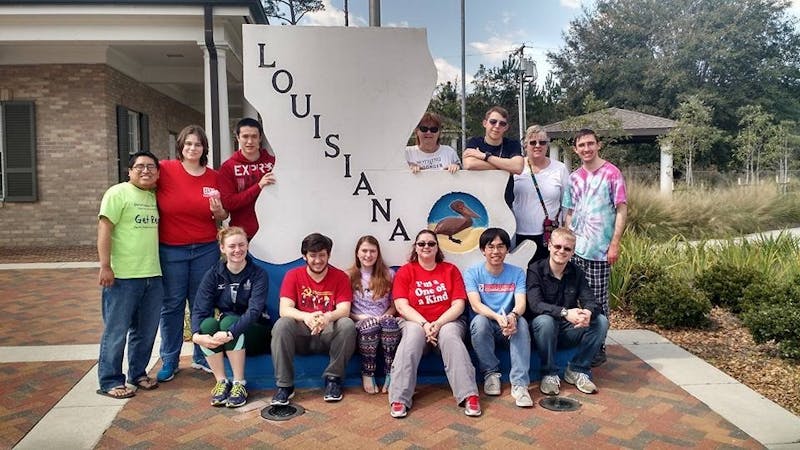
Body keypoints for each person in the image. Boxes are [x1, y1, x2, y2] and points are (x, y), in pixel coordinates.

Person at [156, 125, 228, 382]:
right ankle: (170, 359)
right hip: (171, 249)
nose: (192, 148)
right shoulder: (165, 169)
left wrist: (219, 211)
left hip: (205, 249)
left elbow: (222, 216)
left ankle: (202, 356)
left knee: (201, 305)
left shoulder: (213, 176)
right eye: (188, 144)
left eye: (197, 144)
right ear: (181, 146)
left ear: (204, 148)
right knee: (172, 305)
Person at [388, 230, 481, 418]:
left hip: (447, 321)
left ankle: (469, 395)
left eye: (431, 244)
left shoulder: (450, 270)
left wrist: (437, 324)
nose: (426, 247)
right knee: (412, 336)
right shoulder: (406, 271)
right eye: (421, 244)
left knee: (450, 336)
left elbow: (458, 305)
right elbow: (401, 305)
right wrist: (424, 324)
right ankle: (399, 398)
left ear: (437, 247)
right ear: (415, 247)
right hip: (415, 322)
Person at [96, 151, 163, 399]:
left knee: (145, 331)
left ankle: (138, 373)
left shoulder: (154, 196)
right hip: (122, 276)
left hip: (153, 275)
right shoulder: (117, 193)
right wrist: (105, 265)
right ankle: (110, 380)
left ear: (157, 172)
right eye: (140, 167)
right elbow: (104, 228)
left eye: (151, 167)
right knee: (116, 330)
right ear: (130, 171)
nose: (146, 171)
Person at [563, 129, 627, 366]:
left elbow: (621, 209)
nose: (586, 149)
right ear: (576, 149)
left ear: (598, 145)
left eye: (590, 144)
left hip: (600, 251)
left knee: (598, 301)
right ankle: (575, 341)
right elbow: (569, 211)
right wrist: (567, 242)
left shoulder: (612, 173)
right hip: (576, 249)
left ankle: (598, 346)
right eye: (582, 145)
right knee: (572, 297)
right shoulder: (574, 178)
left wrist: (615, 243)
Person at [270, 233, 356, 405]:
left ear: (329, 255)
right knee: (282, 324)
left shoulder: (340, 277)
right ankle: (284, 386)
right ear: (304, 256)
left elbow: (344, 310)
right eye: (313, 255)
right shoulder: (293, 275)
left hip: (328, 333)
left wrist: (327, 317)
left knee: (346, 324)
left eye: (322, 255)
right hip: (301, 333)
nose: (318, 260)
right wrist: (307, 317)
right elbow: (284, 309)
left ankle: (333, 380)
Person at [191, 226, 270, 408]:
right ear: (222, 248)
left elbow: (254, 311)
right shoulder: (213, 274)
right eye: (232, 246)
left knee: (228, 321)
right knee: (208, 325)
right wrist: (197, 335)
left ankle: (239, 384)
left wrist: (229, 333)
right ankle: (221, 382)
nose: (237, 250)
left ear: (247, 246)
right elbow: (200, 308)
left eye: (241, 245)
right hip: (229, 333)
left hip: (256, 330)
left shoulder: (258, 274)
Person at [526, 227, 609, 395]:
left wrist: (587, 312)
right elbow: (535, 305)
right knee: (545, 321)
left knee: (601, 321)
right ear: (549, 246)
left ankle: (578, 369)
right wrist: (565, 312)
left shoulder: (576, 272)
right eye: (557, 246)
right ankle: (549, 373)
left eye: (567, 249)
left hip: (567, 331)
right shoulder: (535, 270)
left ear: (572, 252)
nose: (561, 251)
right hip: (541, 334)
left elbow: (590, 300)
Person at [465, 228, 532, 407]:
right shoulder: (473, 273)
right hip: (487, 325)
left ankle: (520, 384)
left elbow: (521, 303)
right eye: (491, 246)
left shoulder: (517, 273)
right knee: (479, 321)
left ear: (507, 249)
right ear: (483, 250)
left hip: (509, 327)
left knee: (522, 322)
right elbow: (475, 305)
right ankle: (491, 373)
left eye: (501, 246)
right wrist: (496, 316)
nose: (496, 251)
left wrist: (513, 316)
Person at [347, 236, 400, 394]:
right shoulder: (348, 276)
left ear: (378, 253)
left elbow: (393, 305)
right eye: (364, 251)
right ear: (357, 253)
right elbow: (345, 309)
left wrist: (385, 316)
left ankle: (391, 372)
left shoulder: (389, 274)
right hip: (360, 321)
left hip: (383, 318)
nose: (368, 255)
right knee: (370, 326)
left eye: (372, 251)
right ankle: (367, 371)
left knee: (390, 325)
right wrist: (360, 317)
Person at [511, 125, 570, 263]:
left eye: (542, 142)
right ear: (525, 146)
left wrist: (566, 230)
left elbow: (567, 204)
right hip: (518, 234)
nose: (538, 146)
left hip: (549, 235)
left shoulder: (559, 169)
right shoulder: (515, 167)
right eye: (533, 142)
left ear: (547, 145)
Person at [218, 117, 277, 238]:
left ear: (260, 138)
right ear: (238, 137)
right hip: (243, 235)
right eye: (245, 136)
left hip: (274, 231)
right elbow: (229, 203)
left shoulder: (274, 163)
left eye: (254, 136)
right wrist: (259, 186)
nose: (250, 141)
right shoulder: (228, 167)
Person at [462, 106, 524, 176]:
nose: (497, 126)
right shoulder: (475, 142)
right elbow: (469, 164)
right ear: (485, 123)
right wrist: (507, 167)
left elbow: (518, 168)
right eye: (493, 122)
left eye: (502, 123)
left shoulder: (512, 144)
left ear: (506, 127)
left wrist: (485, 156)